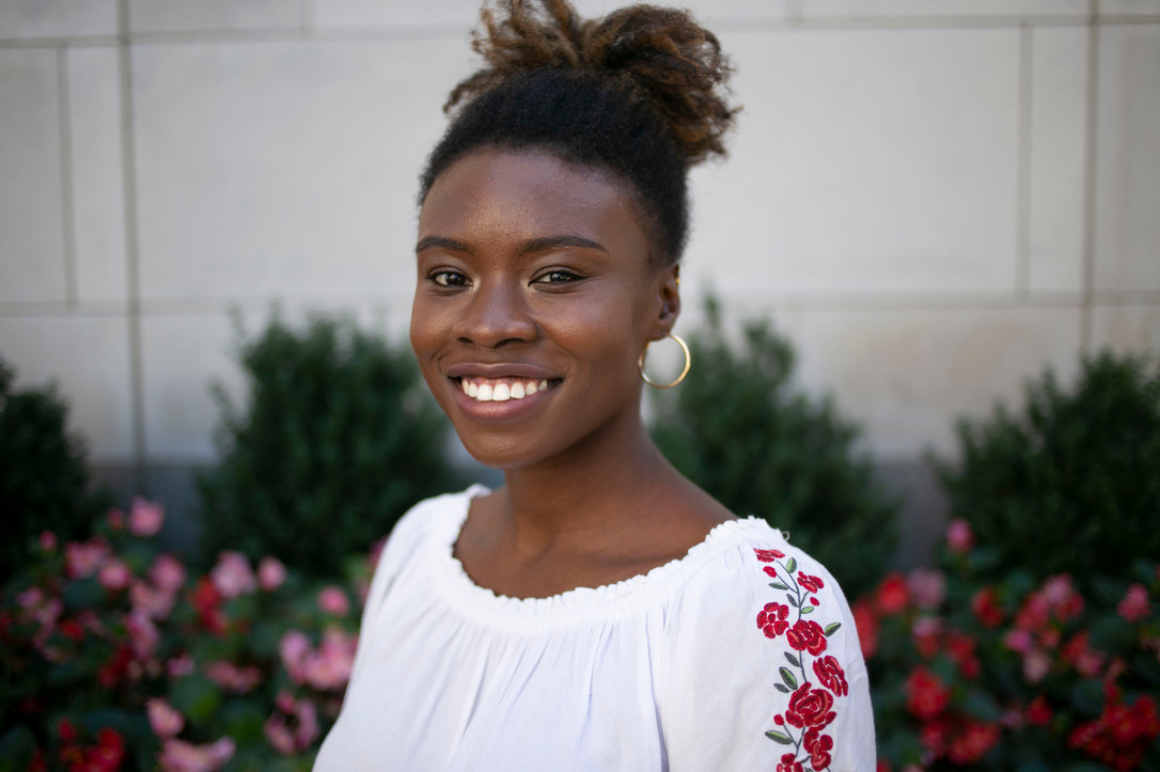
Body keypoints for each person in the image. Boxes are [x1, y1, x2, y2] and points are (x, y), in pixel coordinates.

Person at [314, 0, 875, 769]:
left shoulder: (755, 613)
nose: (487, 323)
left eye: (557, 275)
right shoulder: (422, 553)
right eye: (449, 275)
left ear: (662, 300)